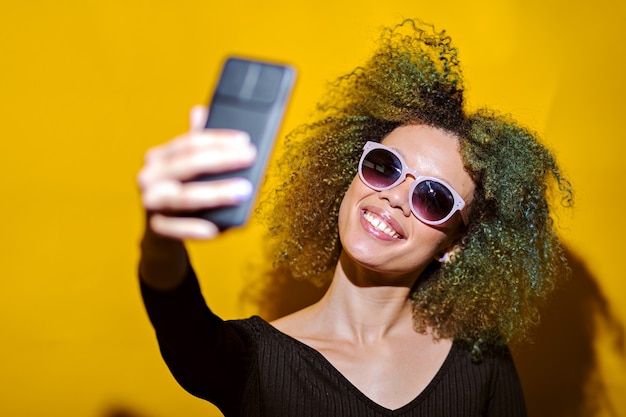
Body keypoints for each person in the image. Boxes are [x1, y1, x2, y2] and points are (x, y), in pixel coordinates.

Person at [137, 19, 572, 416]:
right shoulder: (256, 360)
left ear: (454, 247)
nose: (396, 198)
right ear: (351, 177)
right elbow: (183, 328)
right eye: (385, 167)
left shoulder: (481, 360)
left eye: (433, 198)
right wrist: (160, 240)